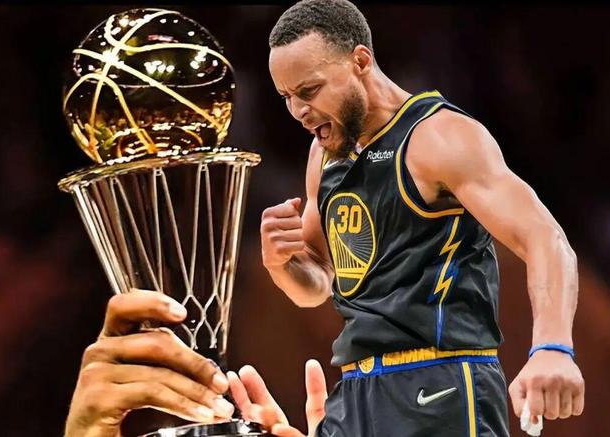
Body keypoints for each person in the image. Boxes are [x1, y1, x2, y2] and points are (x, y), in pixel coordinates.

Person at [251, 0, 585, 435]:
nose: (298, 110)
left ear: (360, 62)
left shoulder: (438, 136)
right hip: (355, 390)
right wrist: (282, 264)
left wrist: (553, 347)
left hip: (441, 382)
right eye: (287, 97)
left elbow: (546, 239)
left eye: (309, 90)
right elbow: (317, 283)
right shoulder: (323, 155)